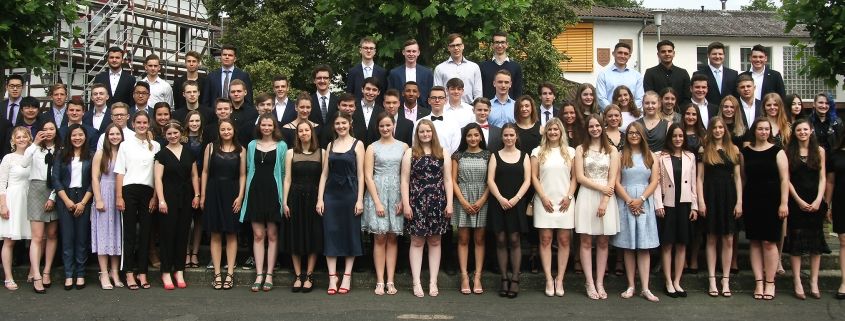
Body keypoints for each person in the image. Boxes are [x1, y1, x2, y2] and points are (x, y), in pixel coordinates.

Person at [401, 119, 453, 297]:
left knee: (435, 241)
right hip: (416, 202)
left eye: (428, 131)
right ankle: (416, 282)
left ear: (433, 133)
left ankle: (433, 282)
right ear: (417, 133)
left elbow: (448, 180)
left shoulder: (442, 152)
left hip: (437, 202)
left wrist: (450, 203)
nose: (425, 134)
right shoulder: (410, 152)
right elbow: (405, 180)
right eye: (422, 131)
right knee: (416, 241)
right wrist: (406, 204)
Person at [316, 113, 365, 295]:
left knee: (350, 233)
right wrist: (320, 198)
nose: (341, 126)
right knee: (331, 232)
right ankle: (332, 277)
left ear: (350, 123)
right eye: (337, 123)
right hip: (331, 194)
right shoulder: (330, 145)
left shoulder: (358, 144)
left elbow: (361, 175)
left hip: (350, 194)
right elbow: (324, 174)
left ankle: (346, 276)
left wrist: (360, 199)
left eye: (344, 122)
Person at [611, 122, 660, 302]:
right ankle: (631, 285)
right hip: (626, 200)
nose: (633, 136)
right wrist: (630, 200)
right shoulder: (621, 155)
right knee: (629, 246)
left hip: (644, 201)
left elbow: (654, 181)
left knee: (644, 247)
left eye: (636, 133)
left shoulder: (650, 156)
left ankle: (645, 287)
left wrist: (642, 199)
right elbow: (616, 181)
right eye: (630, 133)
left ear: (642, 135)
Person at [573, 115, 620, 300]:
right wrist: (602, 188)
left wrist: (605, 201)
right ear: (587, 129)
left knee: (602, 241)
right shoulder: (580, 149)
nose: (595, 129)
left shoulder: (612, 151)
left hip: (606, 198)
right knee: (585, 241)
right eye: (591, 126)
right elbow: (580, 177)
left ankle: (600, 282)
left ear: (603, 127)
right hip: (586, 195)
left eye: (598, 125)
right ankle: (589, 282)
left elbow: (613, 178)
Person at [742, 118, 789, 300]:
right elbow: (744, 178)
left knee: (769, 242)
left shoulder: (778, 152)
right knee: (754, 241)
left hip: (772, 200)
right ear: (754, 131)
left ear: (770, 131)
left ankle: (770, 282)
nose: (763, 132)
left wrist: (784, 203)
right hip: (752, 199)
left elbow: (785, 179)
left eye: (766, 129)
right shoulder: (745, 152)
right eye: (760, 129)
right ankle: (758, 282)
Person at [239, 114, 287, 292]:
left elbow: (283, 173)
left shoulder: (282, 146)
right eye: (263, 125)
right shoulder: (251, 145)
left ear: (274, 127)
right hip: (255, 193)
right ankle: (259, 274)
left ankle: (269, 275)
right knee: (258, 235)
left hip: (274, 193)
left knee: (273, 235)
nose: (266, 128)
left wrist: (284, 199)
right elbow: (248, 169)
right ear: (259, 126)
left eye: (270, 125)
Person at [362, 112, 408, 295]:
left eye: (388, 125)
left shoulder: (404, 147)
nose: (385, 128)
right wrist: (377, 202)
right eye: (382, 126)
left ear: (393, 125)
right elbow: (367, 175)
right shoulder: (372, 148)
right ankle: (380, 280)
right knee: (379, 237)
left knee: (392, 237)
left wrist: (404, 200)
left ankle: (390, 280)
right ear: (378, 127)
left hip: (397, 193)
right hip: (378, 193)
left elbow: (407, 175)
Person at [114, 110, 160, 290]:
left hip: (148, 191)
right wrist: (119, 196)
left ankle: (142, 272)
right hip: (129, 190)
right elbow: (120, 171)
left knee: (146, 233)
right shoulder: (125, 145)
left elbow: (157, 174)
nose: (141, 125)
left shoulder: (155, 145)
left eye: (144, 123)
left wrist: (155, 196)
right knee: (130, 233)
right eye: (138, 122)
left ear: (149, 124)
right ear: (133, 124)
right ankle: (129, 272)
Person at [697, 117, 743, 297]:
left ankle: (725, 279)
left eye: (720, 128)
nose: (717, 130)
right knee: (711, 238)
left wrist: (739, 201)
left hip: (729, 196)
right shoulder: (704, 149)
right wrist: (701, 200)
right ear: (710, 130)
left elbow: (738, 177)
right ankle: (711, 279)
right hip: (710, 195)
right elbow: (699, 178)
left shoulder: (734, 149)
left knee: (728, 239)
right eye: (714, 128)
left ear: (725, 130)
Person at [531, 119, 577, 297]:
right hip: (545, 201)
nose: (552, 132)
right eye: (550, 129)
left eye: (556, 129)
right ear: (545, 132)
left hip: (565, 201)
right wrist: (542, 196)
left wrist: (569, 196)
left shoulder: (571, 152)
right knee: (545, 239)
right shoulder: (538, 151)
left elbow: (574, 177)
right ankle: (549, 279)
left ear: (561, 131)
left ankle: (560, 279)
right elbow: (534, 177)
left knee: (565, 240)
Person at [784, 119, 829, 299]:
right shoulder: (788, 152)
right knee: (796, 244)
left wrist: (819, 199)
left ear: (811, 131)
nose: (802, 132)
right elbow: (786, 179)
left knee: (815, 245)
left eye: (805, 129)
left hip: (815, 201)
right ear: (794, 133)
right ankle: (797, 281)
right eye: (798, 130)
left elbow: (823, 178)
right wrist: (798, 200)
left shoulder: (819, 151)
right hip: (796, 202)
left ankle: (814, 282)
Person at [488, 122, 532, 300]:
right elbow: (490, 180)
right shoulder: (495, 156)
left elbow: (527, 180)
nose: (508, 138)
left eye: (511, 135)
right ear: (502, 137)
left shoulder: (524, 156)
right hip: (499, 201)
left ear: (516, 137)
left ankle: (515, 277)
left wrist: (516, 199)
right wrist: (500, 198)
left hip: (516, 202)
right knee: (500, 238)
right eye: (505, 135)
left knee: (514, 239)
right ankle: (504, 278)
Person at [154, 121, 199, 290]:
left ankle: (179, 270)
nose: (173, 136)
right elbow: (158, 178)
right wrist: (161, 200)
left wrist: (197, 194)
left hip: (186, 197)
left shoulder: (189, 152)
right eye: (169, 134)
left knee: (183, 234)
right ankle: (166, 271)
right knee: (167, 235)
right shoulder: (162, 155)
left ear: (181, 133)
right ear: (165, 135)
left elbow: (194, 175)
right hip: (168, 197)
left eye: (175, 133)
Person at [200, 119, 245, 290]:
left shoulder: (241, 150)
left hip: (232, 192)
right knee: (216, 233)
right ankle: (217, 273)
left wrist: (240, 196)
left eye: (229, 129)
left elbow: (243, 175)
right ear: (219, 131)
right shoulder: (210, 147)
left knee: (232, 234)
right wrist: (203, 195)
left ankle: (230, 273)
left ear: (234, 131)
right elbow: (204, 172)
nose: (226, 132)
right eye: (223, 129)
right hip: (213, 191)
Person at [654, 124, 698, 298]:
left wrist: (695, 205)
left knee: (681, 244)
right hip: (668, 204)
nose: (678, 139)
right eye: (674, 136)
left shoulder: (690, 156)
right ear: (669, 138)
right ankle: (668, 281)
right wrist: (658, 204)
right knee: (667, 244)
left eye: (681, 136)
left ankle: (677, 281)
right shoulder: (660, 156)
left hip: (685, 204)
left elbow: (694, 183)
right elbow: (656, 182)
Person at [282, 121, 324, 294]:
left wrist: (320, 199)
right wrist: (285, 202)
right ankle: (298, 275)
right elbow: (287, 179)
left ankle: (310, 275)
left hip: (314, 198)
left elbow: (323, 177)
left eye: (307, 130)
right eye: (300, 130)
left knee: (313, 235)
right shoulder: (291, 153)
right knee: (295, 235)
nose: (304, 133)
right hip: (295, 198)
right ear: (297, 134)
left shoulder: (322, 153)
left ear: (312, 132)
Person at [52, 124, 93, 291]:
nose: (77, 138)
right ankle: (69, 274)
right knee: (67, 238)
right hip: (65, 197)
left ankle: (81, 274)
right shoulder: (61, 155)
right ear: (69, 137)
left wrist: (83, 202)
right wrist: (67, 201)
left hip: (84, 197)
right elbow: (55, 179)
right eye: (74, 135)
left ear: (85, 137)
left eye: (80, 135)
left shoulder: (91, 155)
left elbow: (94, 181)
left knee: (82, 238)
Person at [451, 123, 491, 295]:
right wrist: (463, 201)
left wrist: (482, 200)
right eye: (469, 135)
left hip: (483, 198)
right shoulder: (457, 155)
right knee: (463, 238)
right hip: (463, 198)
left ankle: (478, 276)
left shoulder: (488, 155)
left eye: (476, 135)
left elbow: (491, 180)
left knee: (480, 238)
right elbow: (452, 180)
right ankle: (464, 276)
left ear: (481, 136)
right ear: (464, 138)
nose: (473, 138)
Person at [22, 121, 59, 293]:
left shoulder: (61, 149)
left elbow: (61, 175)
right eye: (45, 129)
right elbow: (23, 163)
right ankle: (36, 274)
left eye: (52, 129)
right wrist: (35, 143)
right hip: (36, 189)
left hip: (55, 190)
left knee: (51, 234)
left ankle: (46, 271)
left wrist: (53, 196)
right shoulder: (34, 148)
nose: (48, 132)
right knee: (37, 236)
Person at [90, 124, 123, 290]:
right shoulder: (100, 153)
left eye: (118, 133)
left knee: (116, 235)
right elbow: (95, 178)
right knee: (103, 235)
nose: (115, 136)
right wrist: (99, 199)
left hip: (119, 196)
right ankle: (103, 273)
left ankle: (115, 272)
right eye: (112, 134)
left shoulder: (124, 153)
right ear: (107, 136)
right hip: (104, 193)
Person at [0, 127, 32, 291]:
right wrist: (3, 204)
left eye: (24, 137)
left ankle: (33, 272)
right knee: (9, 240)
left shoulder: (33, 156)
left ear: (29, 139)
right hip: (13, 199)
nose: (21, 139)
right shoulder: (8, 158)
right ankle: (8, 277)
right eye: (18, 137)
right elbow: (1, 183)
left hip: (30, 199)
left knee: (36, 238)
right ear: (13, 140)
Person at [433, 33, 482, 104]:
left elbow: (478, 93)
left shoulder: (474, 67)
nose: (456, 48)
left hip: (469, 109)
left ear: (463, 46)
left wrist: (477, 108)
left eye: (458, 45)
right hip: (447, 109)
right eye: (452, 46)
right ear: (448, 48)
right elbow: (437, 93)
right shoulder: (440, 68)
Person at [824, 132, 845, 300]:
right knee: (844, 241)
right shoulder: (836, 154)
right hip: (841, 200)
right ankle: (844, 282)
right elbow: (830, 181)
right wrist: (827, 205)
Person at [183, 110, 205, 269]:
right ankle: (185, 252)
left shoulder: (206, 139)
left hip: (202, 182)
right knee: (185, 219)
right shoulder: (182, 139)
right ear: (187, 123)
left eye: (197, 121)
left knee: (199, 219)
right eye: (192, 121)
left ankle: (195, 253)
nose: (194, 124)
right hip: (185, 182)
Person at [388, 39, 434, 109]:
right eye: (408, 51)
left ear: (418, 53)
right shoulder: (394, 73)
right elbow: (390, 95)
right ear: (403, 52)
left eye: (414, 51)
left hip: (422, 112)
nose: (411, 54)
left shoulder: (427, 73)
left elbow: (431, 95)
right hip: (400, 111)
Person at [596, 42, 643, 110]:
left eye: (626, 54)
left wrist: (629, 113)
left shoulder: (637, 76)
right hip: (610, 117)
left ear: (629, 56)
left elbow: (639, 98)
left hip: (631, 116)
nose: (622, 56)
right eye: (620, 53)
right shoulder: (603, 75)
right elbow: (601, 98)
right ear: (613, 54)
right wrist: (614, 112)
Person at [644, 40, 691, 105]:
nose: (667, 54)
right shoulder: (650, 73)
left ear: (674, 53)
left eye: (669, 51)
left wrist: (678, 113)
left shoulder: (683, 73)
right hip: (657, 113)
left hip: (679, 112)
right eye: (663, 52)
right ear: (658, 54)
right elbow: (649, 96)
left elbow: (687, 98)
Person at [480, 32, 523, 99]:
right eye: (497, 42)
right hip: (488, 107)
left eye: (502, 42)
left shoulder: (516, 67)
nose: (500, 45)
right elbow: (480, 91)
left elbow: (518, 92)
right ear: (492, 45)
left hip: (510, 108)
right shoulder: (483, 67)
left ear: (507, 45)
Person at [694, 42, 739, 106]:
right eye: (714, 54)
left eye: (720, 54)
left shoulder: (733, 74)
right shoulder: (699, 74)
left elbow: (736, 96)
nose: (717, 56)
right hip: (708, 112)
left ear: (724, 55)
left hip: (728, 112)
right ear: (708, 55)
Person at [347, 37, 387, 102]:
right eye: (366, 48)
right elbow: (349, 94)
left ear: (375, 51)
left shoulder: (382, 72)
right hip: (357, 110)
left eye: (371, 48)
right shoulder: (352, 72)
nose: (368, 51)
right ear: (360, 50)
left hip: (377, 110)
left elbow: (384, 95)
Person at [354, 77, 385, 146]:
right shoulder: (352, 108)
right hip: (354, 149)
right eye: (368, 89)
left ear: (378, 92)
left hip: (375, 150)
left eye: (374, 90)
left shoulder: (382, 112)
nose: (370, 92)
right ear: (362, 89)